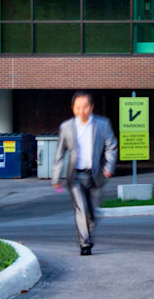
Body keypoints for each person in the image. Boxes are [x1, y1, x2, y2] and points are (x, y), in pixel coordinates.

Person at [49, 92, 118, 256]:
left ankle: (87, 234)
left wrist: (109, 166)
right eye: (78, 107)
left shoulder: (102, 124)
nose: (82, 111)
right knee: (81, 208)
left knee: (92, 214)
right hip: (75, 177)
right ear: (73, 109)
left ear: (91, 107)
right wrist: (56, 176)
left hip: (95, 175)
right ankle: (85, 244)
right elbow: (60, 154)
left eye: (85, 107)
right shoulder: (66, 127)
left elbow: (111, 146)